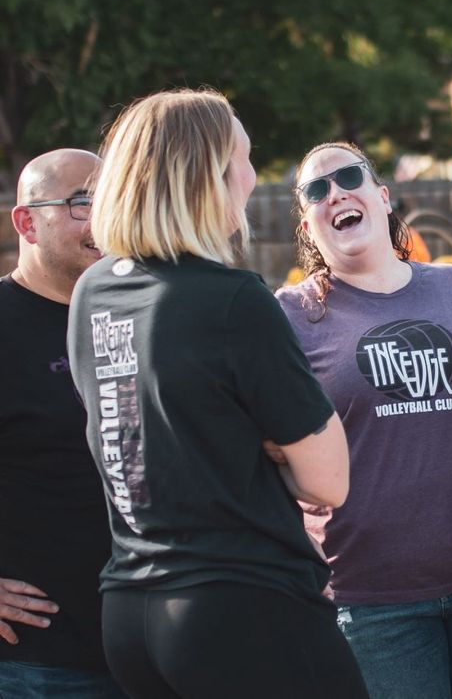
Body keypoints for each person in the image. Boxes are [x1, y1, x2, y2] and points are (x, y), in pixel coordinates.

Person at [66, 89, 369, 699]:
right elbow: (328, 480)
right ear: (208, 176)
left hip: (131, 613)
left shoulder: (92, 291)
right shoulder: (232, 299)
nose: (253, 178)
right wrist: (271, 446)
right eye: (244, 159)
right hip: (241, 609)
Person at [275, 141, 452, 699]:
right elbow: (259, 442)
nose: (334, 193)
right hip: (368, 599)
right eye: (316, 191)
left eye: (348, 178)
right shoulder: (286, 317)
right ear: (309, 228)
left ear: (383, 197)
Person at [0, 149, 128, 698]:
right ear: (27, 221)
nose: (100, 218)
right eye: (82, 202)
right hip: (41, 660)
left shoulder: (135, 312)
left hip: (156, 642)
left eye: (109, 200)